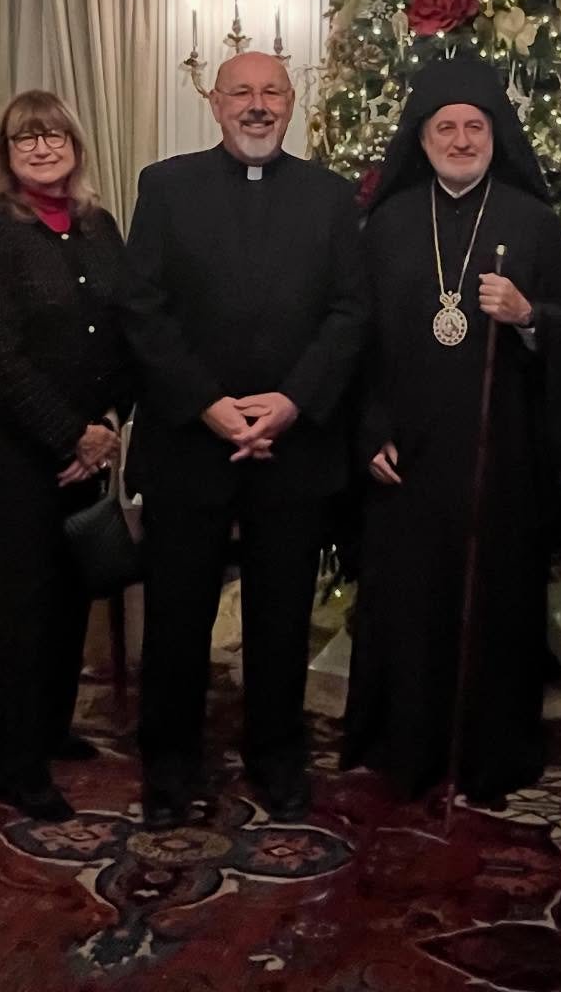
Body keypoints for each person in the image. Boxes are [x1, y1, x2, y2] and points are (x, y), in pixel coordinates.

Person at [125, 52, 367, 828]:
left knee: (280, 616)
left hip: (291, 447)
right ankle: (169, 764)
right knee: (176, 616)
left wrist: (292, 402)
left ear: (293, 103)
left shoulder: (331, 198)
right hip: (189, 440)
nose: (257, 106)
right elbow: (143, 311)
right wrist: (210, 406)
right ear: (213, 102)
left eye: (272, 92)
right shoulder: (165, 187)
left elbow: (350, 312)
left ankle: (276, 756)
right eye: (241, 93)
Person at [343, 56, 561, 804]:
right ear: (419, 141)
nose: (459, 139)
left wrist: (528, 317)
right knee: (411, 603)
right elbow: (354, 340)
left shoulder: (532, 221)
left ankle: (492, 752)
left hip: (500, 456)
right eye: (444, 127)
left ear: (496, 135)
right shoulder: (385, 225)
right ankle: (405, 745)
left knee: (493, 602)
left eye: (474, 126)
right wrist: (370, 428)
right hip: (408, 459)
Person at [0, 91, 133, 822]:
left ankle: (54, 728)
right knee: (22, 607)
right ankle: (15, 763)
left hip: (87, 445)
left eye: (54, 134)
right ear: (6, 153)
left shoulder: (99, 225)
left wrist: (109, 425)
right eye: (25, 137)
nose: (41, 147)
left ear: (76, 145)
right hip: (16, 453)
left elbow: (125, 330)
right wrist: (70, 436)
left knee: (71, 599)